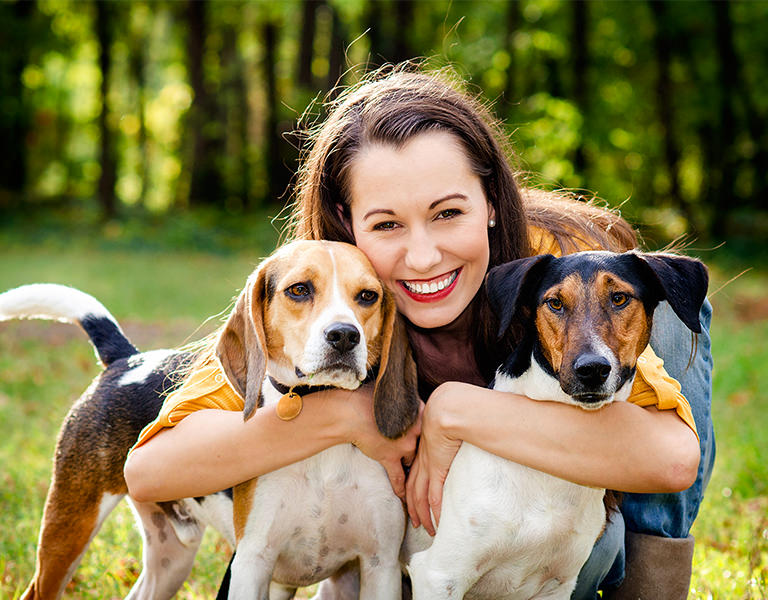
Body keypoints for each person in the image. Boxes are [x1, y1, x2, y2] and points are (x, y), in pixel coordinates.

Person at [124, 66, 713, 598]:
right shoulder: (324, 301)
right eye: (385, 224)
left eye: (448, 212)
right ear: (345, 226)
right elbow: (151, 471)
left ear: (489, 201)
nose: (424, 256)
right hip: (433, 553)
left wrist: (453, 412)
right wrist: (345, 415)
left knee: (669, 319)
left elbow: (670, 460)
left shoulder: (556, 271)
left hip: (569, 548)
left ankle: (647, 589)